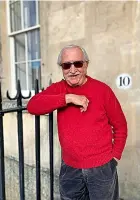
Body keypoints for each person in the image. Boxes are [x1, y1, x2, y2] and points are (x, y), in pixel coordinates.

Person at [27, 44, 127, 200]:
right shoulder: (59, 89)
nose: (72, 70)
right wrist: (68, 98)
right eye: (67, 65)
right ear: (62, 68)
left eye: (78, 63)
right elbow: (33, 106)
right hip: (70, 168)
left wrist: (114, 157)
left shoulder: (102, 90)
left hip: (101, 168)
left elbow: (120, 125)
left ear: (86, 64)